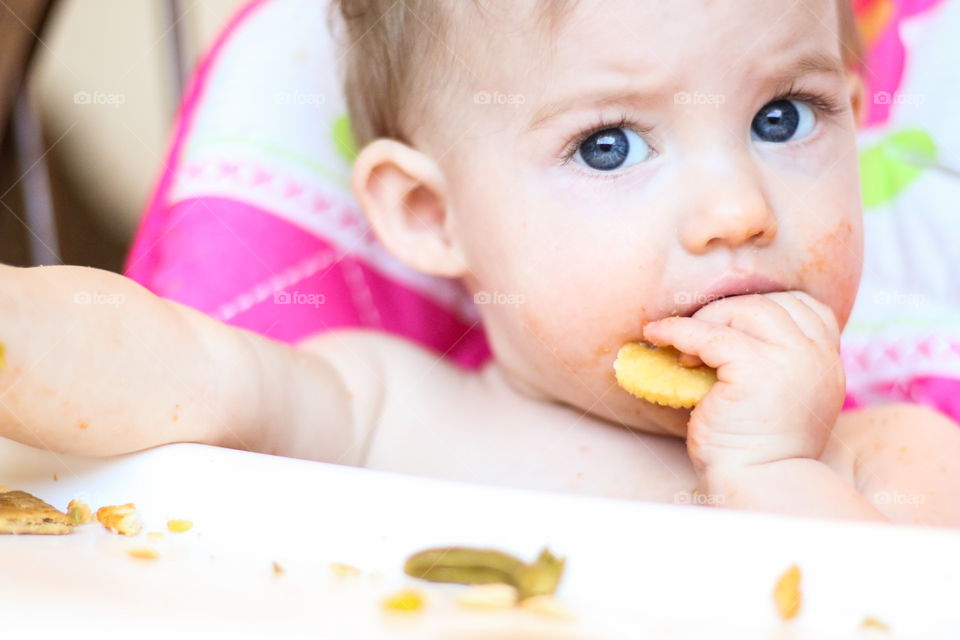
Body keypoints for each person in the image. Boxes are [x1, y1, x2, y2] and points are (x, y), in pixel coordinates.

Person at [1, 0, 957, 526]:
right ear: (430, 215)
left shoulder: (887, 465)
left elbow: (883, 610)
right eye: (611, 144)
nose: (737, 210)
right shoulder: (379, 412)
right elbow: (169, 366)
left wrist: (776, 469)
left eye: (782, 116)